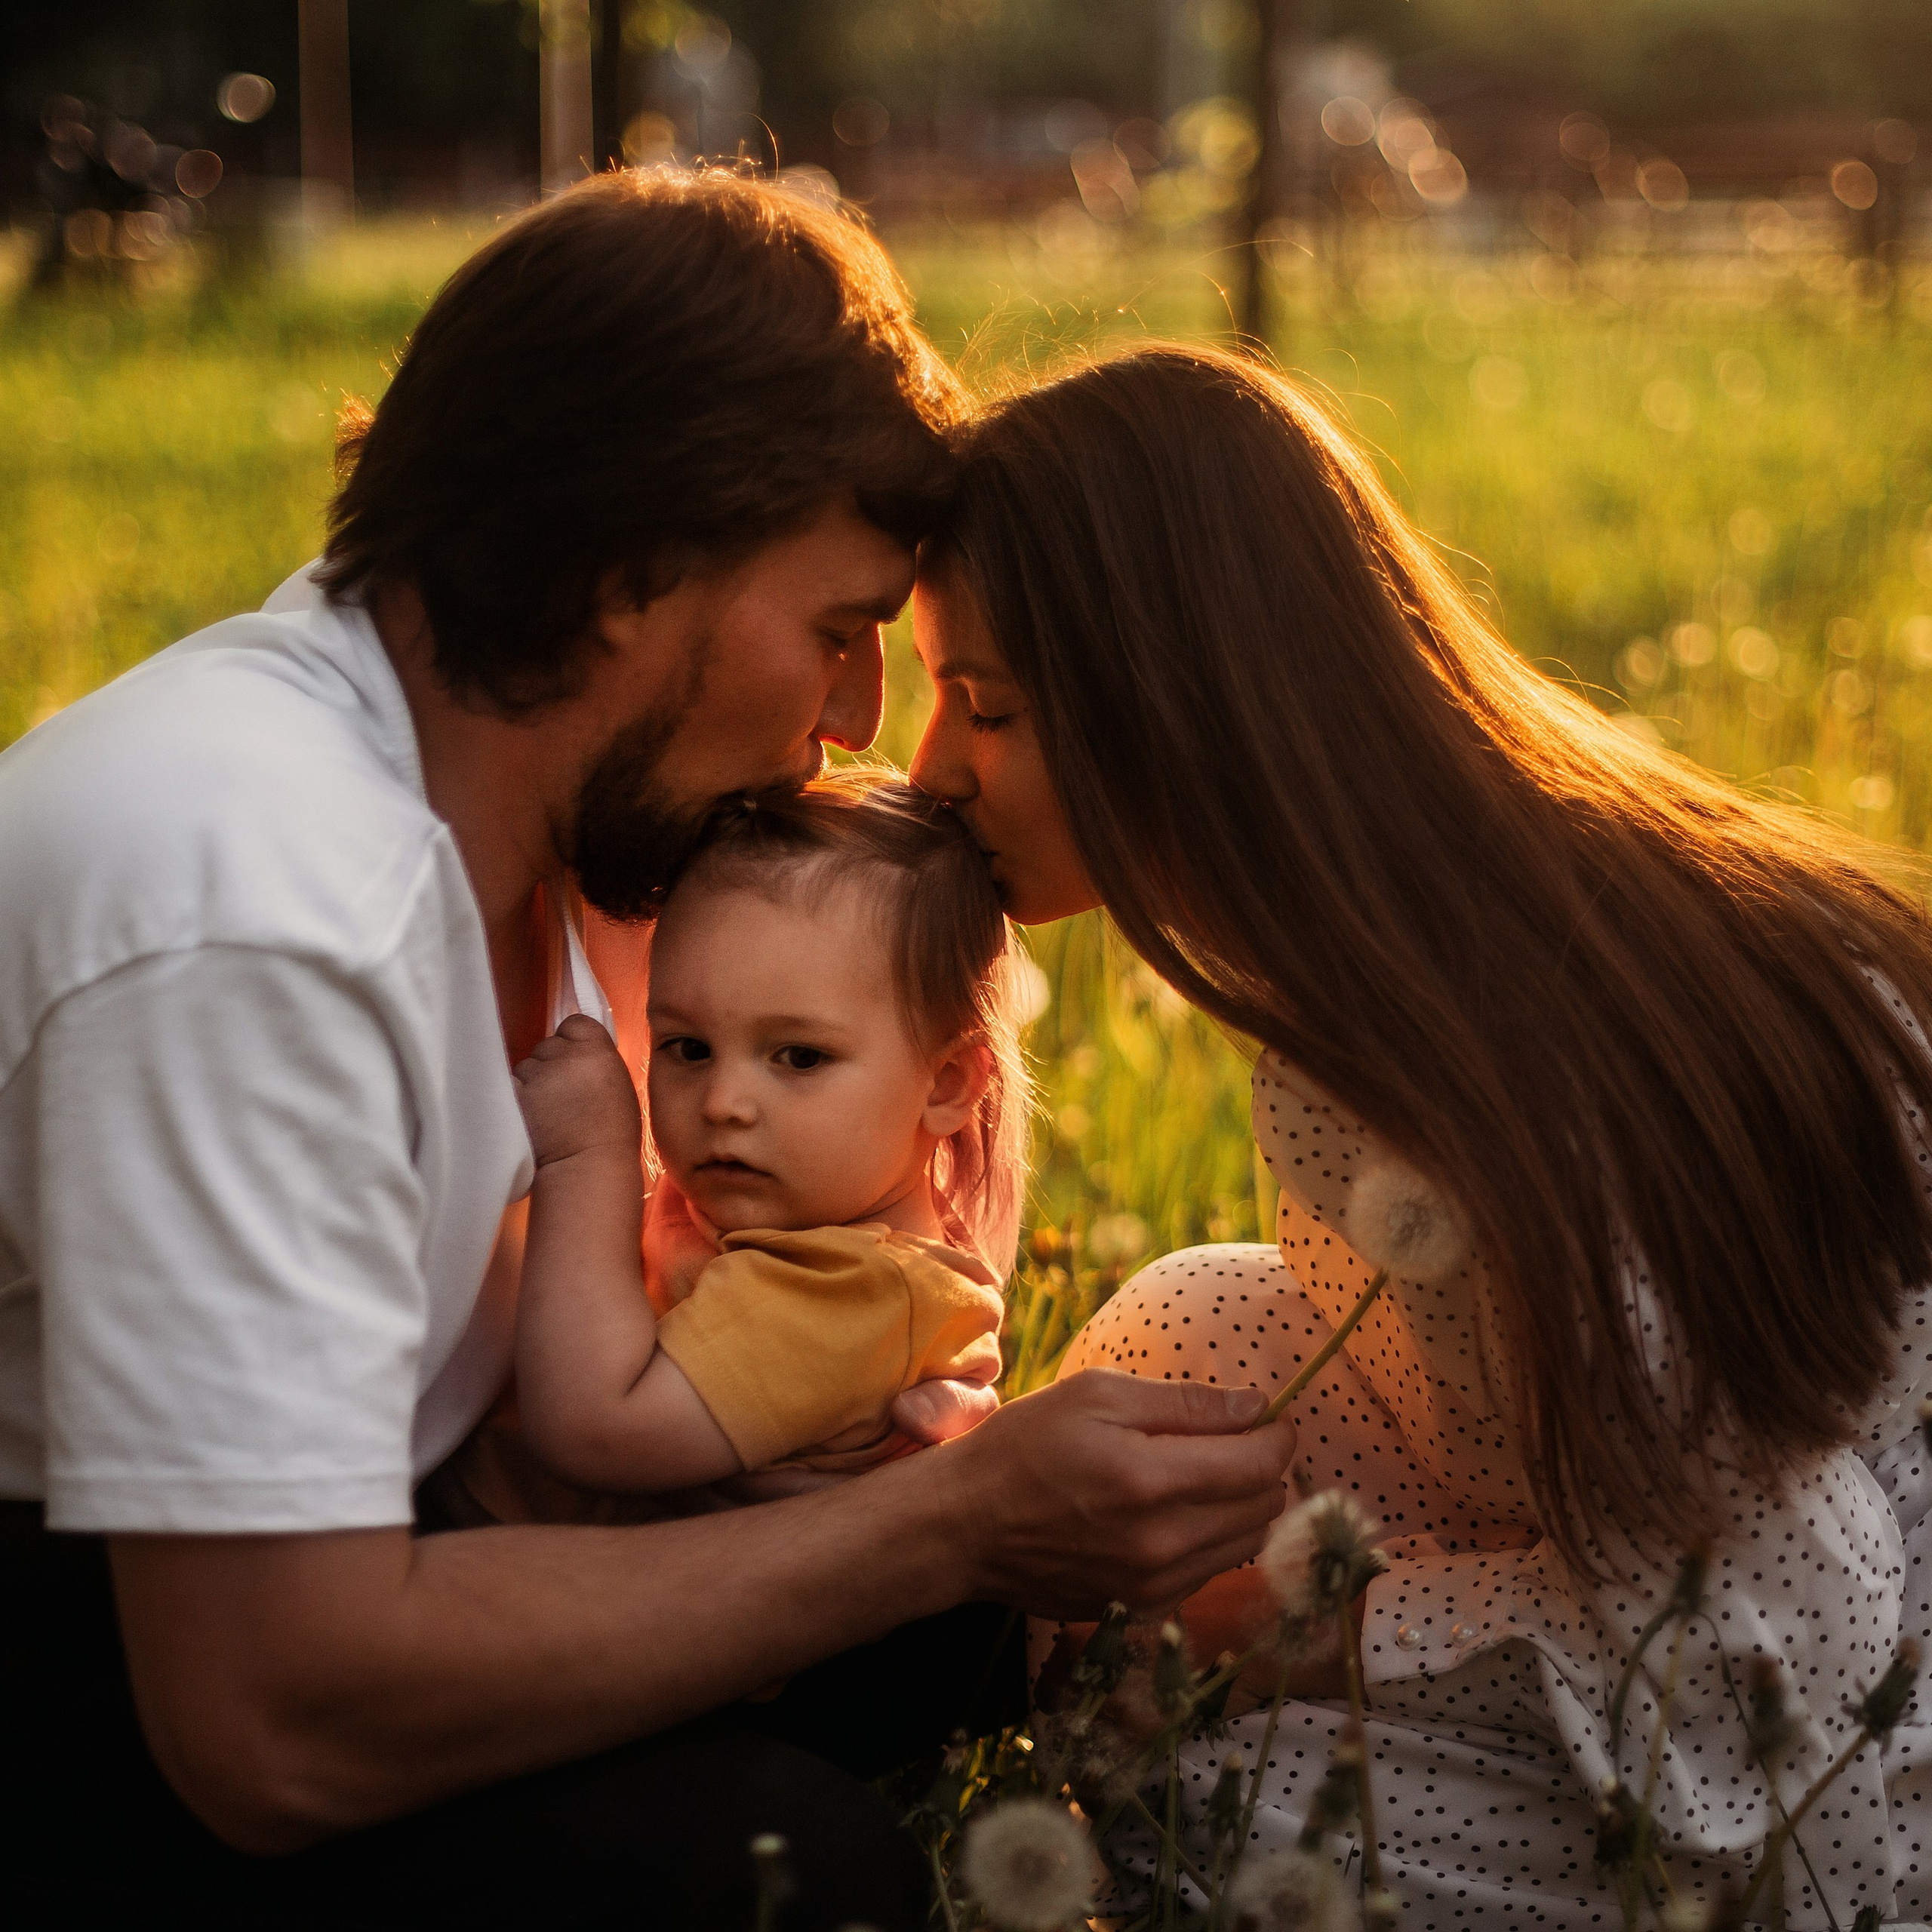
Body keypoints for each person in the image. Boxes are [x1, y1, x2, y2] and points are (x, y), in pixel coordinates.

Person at [0, 181, 1296, 1929]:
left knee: (941, 1629)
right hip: (114, 1634)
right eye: (836, 630)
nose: (858, 725)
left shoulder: (526, 800)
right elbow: (269, 1720)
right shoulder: (255, 904)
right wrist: (948, 1523)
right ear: (626, 576)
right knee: (780, 1872)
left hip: (374, 1521)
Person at [909, 341, 1932, 1929]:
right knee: (1185, 1348)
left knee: (1226, 1800)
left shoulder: (1483, 1073)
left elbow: (1788, 1610)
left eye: (984, 706)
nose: (926, 770)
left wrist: (1273, 1637)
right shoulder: (1427, 936)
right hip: (1674, 1562)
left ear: (1168, 698)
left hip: (1845, 1753)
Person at [469, 770, 1030, 1512]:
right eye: (688, 1048)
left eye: (799, 1057)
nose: (722, 1103)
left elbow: (597, 1430)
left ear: (946, 1084)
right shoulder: (801, 1216)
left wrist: (587, 1158)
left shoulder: (853, 1287)